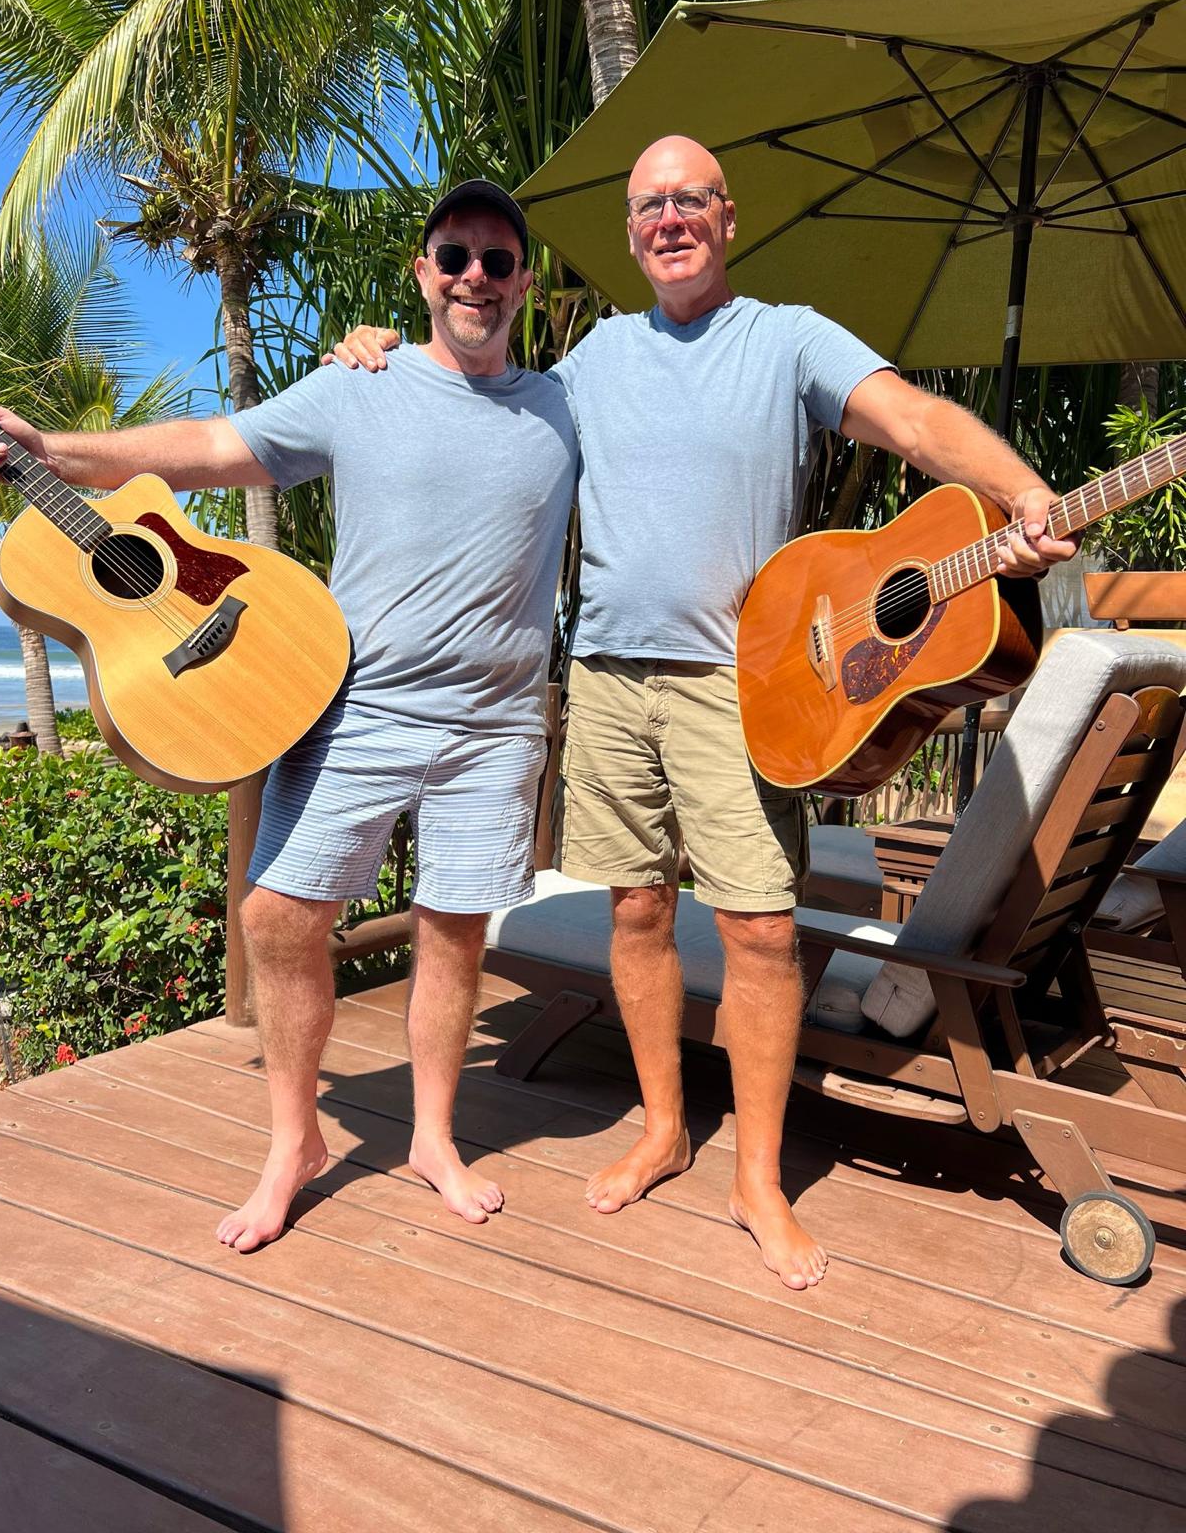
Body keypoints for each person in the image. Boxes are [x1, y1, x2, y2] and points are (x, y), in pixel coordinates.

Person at [331, 135, 1080, 1291]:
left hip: (746, 683)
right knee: (635, 911)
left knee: (762, 928)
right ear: (631, 233)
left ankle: (759, 1176)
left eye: (688, 199)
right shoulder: (588, 362)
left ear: (727, 218)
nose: (668, 218)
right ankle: (664, 1126)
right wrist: (377, 351)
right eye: (648, 206)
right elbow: (476, 396)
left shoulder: (788, 336)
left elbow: (917, 422)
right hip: (612, 678)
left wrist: (1021, 490)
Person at [0, 180, 578, 1251]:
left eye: (498, 260)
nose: (476, 277)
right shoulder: (363, 383)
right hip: (359, 703)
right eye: (456, 256)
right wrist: (56, 450)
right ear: (423, 273)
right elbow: (214, 445)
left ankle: (433, 1136)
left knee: (453, 930)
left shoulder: (561, 407)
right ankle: (293, 1143)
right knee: (274, 917)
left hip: (494, 724)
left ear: (524, 280)